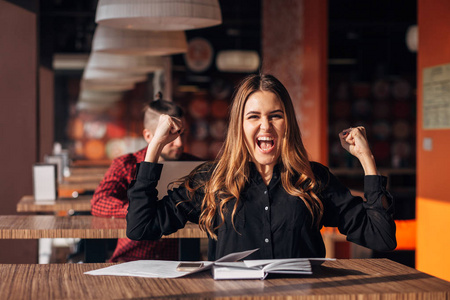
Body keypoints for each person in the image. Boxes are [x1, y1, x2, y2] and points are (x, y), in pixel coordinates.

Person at [126, 74, 397, 261]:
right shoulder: (212, 181)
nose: (265, 126)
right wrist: (155, 147)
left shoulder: (313, 179)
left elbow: (381, 238)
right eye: (253, 116)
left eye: (275, 116)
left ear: (287, 123)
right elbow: (140, 227)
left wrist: (367, 159)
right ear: (239, 126)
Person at [91, 94, 200, 262]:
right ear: (149, 136)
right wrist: (141, 210)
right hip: (132, 257)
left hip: (181, 261)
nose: (179, 143)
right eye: (170, 134)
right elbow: (99, 202)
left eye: (182, 134)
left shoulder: (195, 166)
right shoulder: (126, 164)